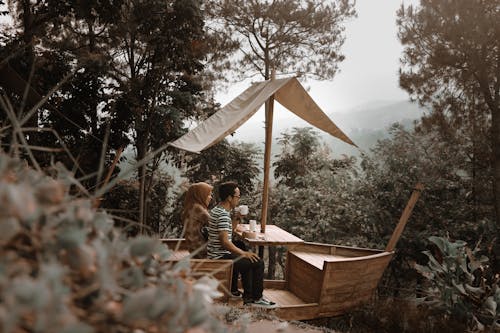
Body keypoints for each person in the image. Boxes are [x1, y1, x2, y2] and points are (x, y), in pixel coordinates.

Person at [207, 181, 277, 308]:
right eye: (237, 196)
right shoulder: (223, 215)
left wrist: (237, 218)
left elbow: (229, 232)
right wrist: (244, 254)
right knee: (258, 262)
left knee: (242, 248)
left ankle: (246, 295)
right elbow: (225, 243)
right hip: (219, 256)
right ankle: (256, 299)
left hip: (215, 252)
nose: (238, 199)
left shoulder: (218, 209)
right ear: (229, 198)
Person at [181, 182, 213, 258]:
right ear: (201, 194)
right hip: (202, 251)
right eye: (208, 194)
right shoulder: (198, 208)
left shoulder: (190, 206)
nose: (211, 197)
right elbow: (215, 223)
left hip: (193, 249)